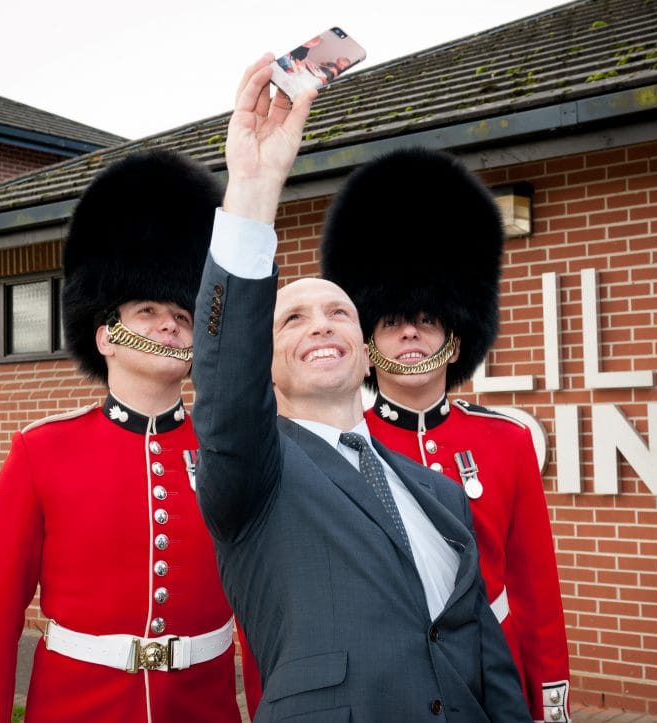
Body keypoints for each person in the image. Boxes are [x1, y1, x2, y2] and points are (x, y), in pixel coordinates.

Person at [191, 54, 531, 722]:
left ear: (367, 352)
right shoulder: (254, 473)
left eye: (339, 312)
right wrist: (255, 191)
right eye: (293, 317)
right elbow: (226, 380)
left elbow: (488, 667)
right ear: (264, 361)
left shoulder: (438, 494)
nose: (322, 324)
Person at [0, 150, 242, 723]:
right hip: (78, 706)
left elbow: (265, 615)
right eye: (147, 310)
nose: (169, 324)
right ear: (106, 336)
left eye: (182, 317)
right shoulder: (43, 451)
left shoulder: (228, 450)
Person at [320, 147, 573, 722]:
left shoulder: (504, 442)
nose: (410, 330)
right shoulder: (338, 446)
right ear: (368, 345)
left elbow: (536, 591)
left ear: (454, 340)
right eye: (391, 321)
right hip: (386, 682)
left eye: (428, 319)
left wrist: (549, 703)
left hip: (492, 673)